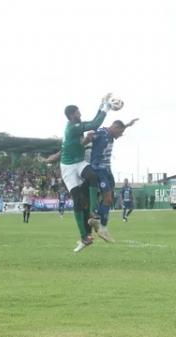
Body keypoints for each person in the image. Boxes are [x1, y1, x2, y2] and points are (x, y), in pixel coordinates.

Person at [59, 93, 113, 252]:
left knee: (92, 176)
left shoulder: (76, 126)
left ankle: (93, 213)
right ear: (71, 115)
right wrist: (106, 109)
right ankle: (84, 236)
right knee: (77, 200)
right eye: (77, 112)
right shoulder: (72, 128)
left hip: (79, 162)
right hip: (68, 167)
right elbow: (95, 123)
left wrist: (101, 104)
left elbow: (92, 123)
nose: (80, 114)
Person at [86, 118, 139, 242]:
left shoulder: (111, 134)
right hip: (98, 168)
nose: (119, 136)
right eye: (120, 133)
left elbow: (120, 126)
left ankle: (97, 219)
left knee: (109, 200)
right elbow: (91, 137)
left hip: (107, 170)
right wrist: (88, 138)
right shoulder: (102, 132)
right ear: (114, 128)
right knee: (108, 198)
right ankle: (101, 226)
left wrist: (128, 124)